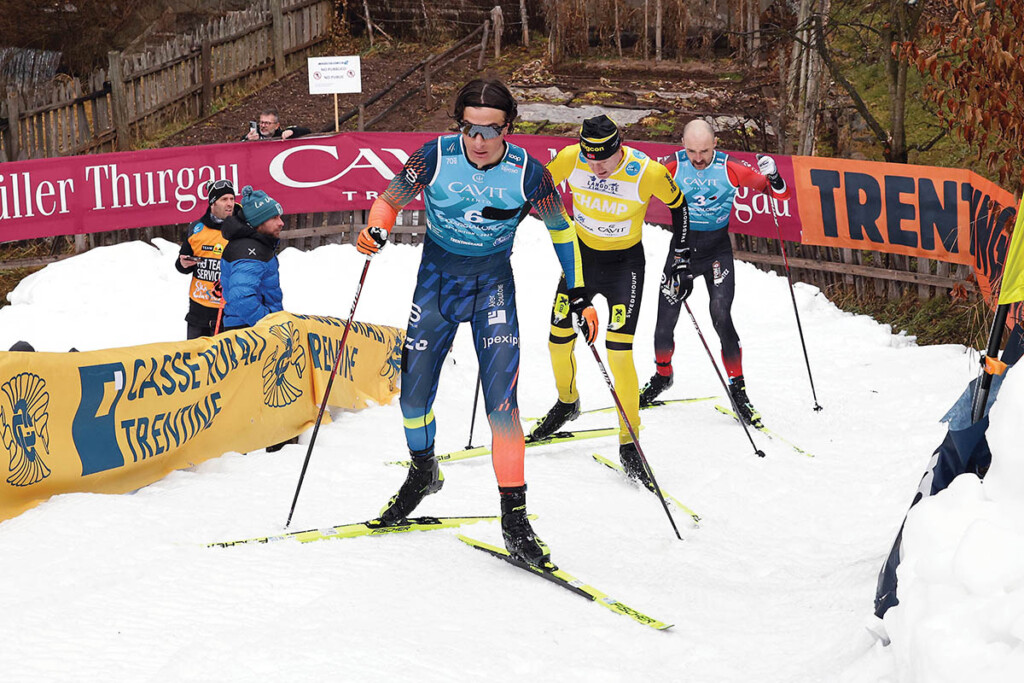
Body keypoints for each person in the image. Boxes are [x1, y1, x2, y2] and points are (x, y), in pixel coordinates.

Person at [356, 79, 593, 567]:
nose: (478, 140)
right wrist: (377, 227)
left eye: (490, 130)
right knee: (413, 399)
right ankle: (423, 471)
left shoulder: (528, 172)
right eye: (469, 128)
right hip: (436, 285)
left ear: (509, 128)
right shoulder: (435, 155)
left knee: (502, 406)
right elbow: (389, 199)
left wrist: (579, 291)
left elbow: (561, 230)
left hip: (492, 289)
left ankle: (515, 520)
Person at [529, 115, 689, 486]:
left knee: (618, 353)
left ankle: (629, 441)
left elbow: (680, 206)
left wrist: (682, 257)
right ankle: (567, 402)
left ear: (620, 148)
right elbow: (536, 189)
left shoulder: (647, 172)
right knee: (557, 340)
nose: (596, 168)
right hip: (581, 260)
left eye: (603, 160)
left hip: (624, 267)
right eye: (590, 159)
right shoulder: (572, 158)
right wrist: (505, 230)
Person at [640, 119, 790, 427]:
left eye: (705, 151)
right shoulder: (670, 166)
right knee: (664, 323)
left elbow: (779, 196)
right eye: (692, 151)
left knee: (721, 315)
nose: (698, 158)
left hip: (717, 251)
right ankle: (663, 376)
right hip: (682, 251)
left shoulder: (730, 168)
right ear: (682, 144)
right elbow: (636, 192)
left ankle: (739, 390)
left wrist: (774, 176)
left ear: (715, 144)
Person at [175, 180, 240, 339]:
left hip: (228, 313)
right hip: (198, 312)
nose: (230, 204)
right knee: (196, 355)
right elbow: (182, 264)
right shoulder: (196, 228)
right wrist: (183, 264)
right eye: (224, 199)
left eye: (232, 199)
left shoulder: (240, 229)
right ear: (213, 203)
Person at [219, 185, 284, 331]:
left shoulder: (255, 245)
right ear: (258, 222)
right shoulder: (249, 252)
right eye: (274, 218)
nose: (281, 223)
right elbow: (241, 298)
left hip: (250, 328)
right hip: (249, 332)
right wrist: (268, 322)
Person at [241, 106, 311, 142]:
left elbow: (307, 131)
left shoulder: (281, 135)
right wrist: (247, 139)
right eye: (261, 122)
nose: (263, 126)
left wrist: (292, 131)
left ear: (277, 126)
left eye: (267, 123)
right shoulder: (254, 135)